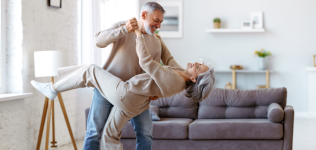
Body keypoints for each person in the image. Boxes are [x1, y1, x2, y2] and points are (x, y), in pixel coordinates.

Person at [31, 28, 215, 150]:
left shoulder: (174, 79)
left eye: (198, 68)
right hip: (136, 102)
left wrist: (138, 35)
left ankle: (53, 88)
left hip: (126, 93)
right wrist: (158, 38)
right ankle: (56, 85)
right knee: (110, 136)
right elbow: (168, 57)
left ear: (194, 78)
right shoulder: (180, 73)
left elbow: (147, 62)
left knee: (91, 70)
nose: (195, 63)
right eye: (199, 63)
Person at [87, 2, 184, 150]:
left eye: (161, 22)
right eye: (156, 21)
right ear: (144, 15)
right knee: (94, 132)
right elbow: (98, 41)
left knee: (145, 133)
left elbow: (155, 71)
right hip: (106, 89)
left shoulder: (156, 42)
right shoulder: (122, 26)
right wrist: (124, 29)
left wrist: (154, 91)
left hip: (135, 93)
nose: (159, 26)